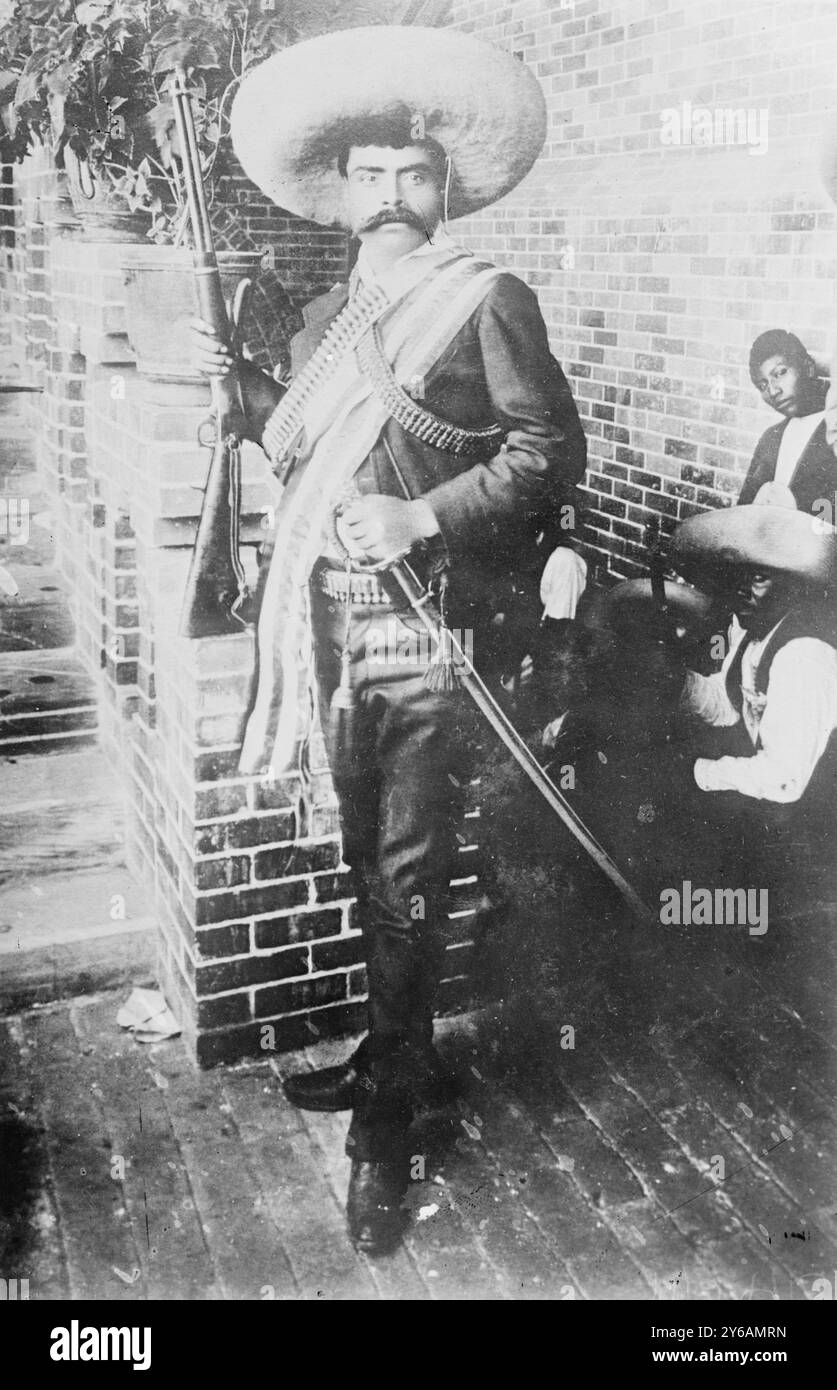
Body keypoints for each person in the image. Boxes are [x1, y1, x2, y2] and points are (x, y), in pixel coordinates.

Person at [190, 26, 587, 1255]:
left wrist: (423, 512)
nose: (392, 195)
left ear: (443, 186)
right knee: (371, 868)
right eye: (370, 175)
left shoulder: (486, 299)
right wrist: (244, 399)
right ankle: (385, 1059)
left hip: (431, 638)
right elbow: (306, 446)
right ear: (343, 193)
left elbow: (547, 451)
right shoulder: (321, 319)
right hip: (332, 639)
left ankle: (387, 1134)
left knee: (410, 883)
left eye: (413, 173)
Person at [737, 329, 835, 513]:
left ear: (808, 367)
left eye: (779, 373)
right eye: (763, 385)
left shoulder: (833, 432)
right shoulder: (770, 439)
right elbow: (743, 514)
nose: (773, 391)